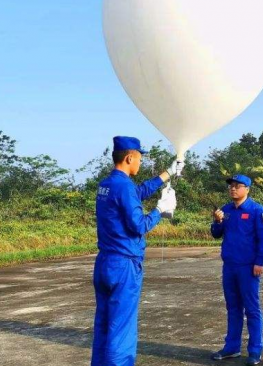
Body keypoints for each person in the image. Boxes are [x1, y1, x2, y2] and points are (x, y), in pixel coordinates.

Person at [91, 136, 184, 366]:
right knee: (121, 329)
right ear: (130, 157)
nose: (140, 163)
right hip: (124, 265)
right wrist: (160, 210)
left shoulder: (108, 184)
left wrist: (167, 174)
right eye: (140, 158)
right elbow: (139, 226)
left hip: (105, 262)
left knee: (103, 324)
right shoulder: (123, 187)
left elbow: (137, 192)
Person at [210, 174, 263, 366]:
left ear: (248, 189)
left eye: (237, 186)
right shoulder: (226, 210)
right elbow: (215, 234)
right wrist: (217, 221)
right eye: (231, 186)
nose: (233, 189)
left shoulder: (256, 210)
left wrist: (260, 262)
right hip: (230, 266)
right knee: (233, 308)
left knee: (252, 309)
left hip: (248, 267)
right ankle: (232, 347)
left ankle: (255, 350)